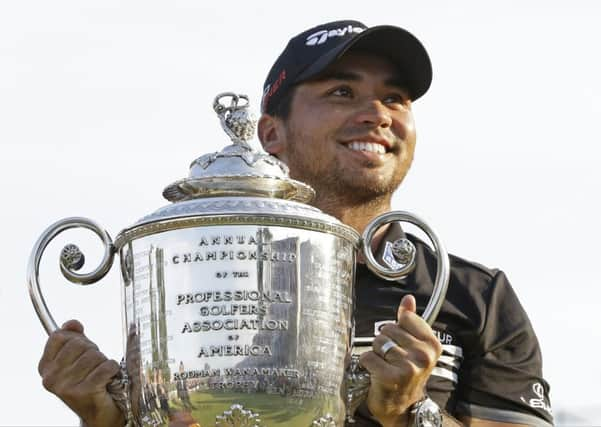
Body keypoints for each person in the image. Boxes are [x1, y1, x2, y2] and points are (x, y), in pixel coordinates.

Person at [38, 20, 554, 427]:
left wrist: (410, 412)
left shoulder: (477, 297)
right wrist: (102, 418)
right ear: (271, 133)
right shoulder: (204, 279)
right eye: (341, 93)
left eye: (394, 98)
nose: (377, 113)